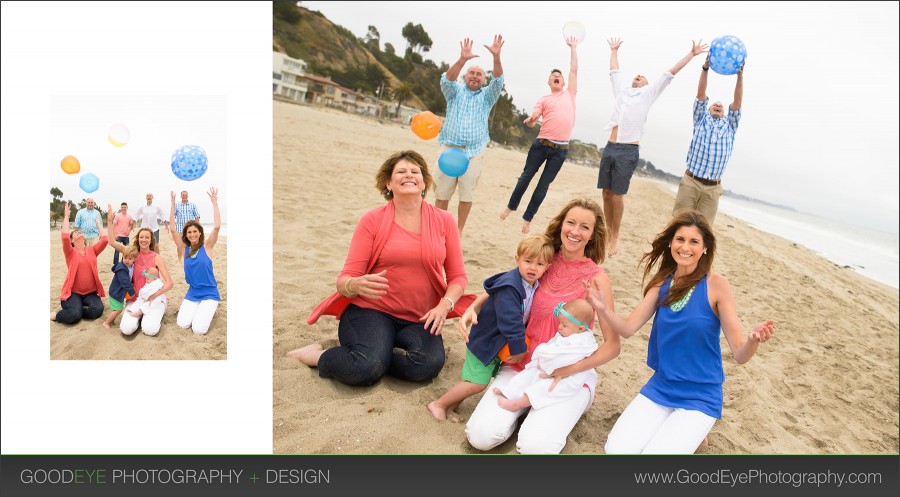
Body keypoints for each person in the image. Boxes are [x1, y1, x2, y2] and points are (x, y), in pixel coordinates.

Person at [574, 210, 775, 454]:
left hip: (701, 396)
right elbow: (627, 328)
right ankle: (691, 434)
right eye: (680, 239)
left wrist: (753, 340)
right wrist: (602, 308)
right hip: (662, 386)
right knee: (616, 450)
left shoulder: (717, 286)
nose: (685, 247)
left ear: (705, 249)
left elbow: (740, 355)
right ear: (671, 242)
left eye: (694, 241)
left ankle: (696, 430)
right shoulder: (663, 283)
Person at [288, 150, 477, 386]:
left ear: (423, 182)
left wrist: (444, 305)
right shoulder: (372, 220)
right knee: (366, 368)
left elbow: (458, 277)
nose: (409, 175)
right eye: (401, 171)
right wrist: (355, 284)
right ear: (389, 182)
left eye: (415, 171)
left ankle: (374, 355)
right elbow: (344, 281)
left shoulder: (444, 220)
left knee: (426, 367)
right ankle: (318, 355)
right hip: (371, 311)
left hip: (420, 318)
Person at [462, 197, 620, 454]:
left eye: (584, 227)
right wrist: (474, 306)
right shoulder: (543, 260)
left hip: (566, 375)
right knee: (481, 436)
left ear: (592, 235)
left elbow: (613, 346)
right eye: (570, 223)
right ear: (561, 225)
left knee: (536, 447)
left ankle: (562, 408)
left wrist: (570, 369)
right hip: (522, 366)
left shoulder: (597, 279)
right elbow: (506, 285)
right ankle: (526, 411)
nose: (575, 231)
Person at [598, 38, 708, 256]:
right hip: (610, 146)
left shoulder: (648, 94)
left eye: (643, 76)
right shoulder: (622, 91)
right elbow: (614, 71)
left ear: (648, 85)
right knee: (606, 193)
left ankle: (615, 235)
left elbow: (670, 73)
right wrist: (613, 51)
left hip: (627, 150)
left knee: (617, 196)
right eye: (636, 75)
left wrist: (692, 54)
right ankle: (607, 230)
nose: (638, 76)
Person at [427, 234, 554, 422]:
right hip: (485, 342)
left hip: (496, 344)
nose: (533, 268)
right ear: (517, 259)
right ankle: (439, 404)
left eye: (540, 264)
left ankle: (451, 407)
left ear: (548, 267)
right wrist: (519, 349)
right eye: (528, 261)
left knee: (474, 379)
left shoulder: (531, 284)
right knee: (477, 383)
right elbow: (510, 322)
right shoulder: (510, 287)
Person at [500, 36, 579, 234]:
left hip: (560, 151)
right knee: (525, 177)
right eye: (553, 75)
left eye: (559, 76)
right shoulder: (543, 99)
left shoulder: (569, 94)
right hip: (541, 145)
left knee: (543, 186)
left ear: (563, 82)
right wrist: (531, 120)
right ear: (548, 81)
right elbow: (535, 114)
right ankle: (511, 206)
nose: (557, 76)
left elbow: (574, 69)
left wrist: (573, 47)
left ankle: (528, 218)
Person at [434, 35, 505, 234]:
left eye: (479, 74)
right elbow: (446, 79)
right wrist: (462, 59)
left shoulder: (487, 97)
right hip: (449, 148)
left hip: (473, 152)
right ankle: (439, 229)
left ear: (483, 79)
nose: (475, 76)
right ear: (465, 77)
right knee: (442, 193)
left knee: (466, 195)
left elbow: (498, 81)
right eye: (471, 73)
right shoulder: (454, 91)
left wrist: (497, 57)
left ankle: (458, 231)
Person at [672, 58, 745, 224]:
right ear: (708, 108)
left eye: (721, 105)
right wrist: (705, 69)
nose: (718, 104)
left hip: (713, 188)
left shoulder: (730, 125)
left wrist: (740, 77)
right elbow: (700, 94)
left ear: (725, 112)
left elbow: (737, 101)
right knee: (679, 223)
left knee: (704, 231)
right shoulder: (701, 119)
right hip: (691, 181)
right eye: (714, 104)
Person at [494, 299, 598, 412]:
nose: (559, 327)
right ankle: (509, 390)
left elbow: (567, 358)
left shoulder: (581, 343)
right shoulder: (568, 333)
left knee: (542, 389)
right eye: (560, 323)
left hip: (566, 377)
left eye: (564, 325)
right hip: (549, 369)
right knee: (528, 375)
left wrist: (547, 361)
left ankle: (517, 404)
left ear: (581, 328)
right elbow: (553, 347)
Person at [107, 205, 174, 337]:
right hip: (135, 299)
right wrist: (110, 221)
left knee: (150, 330)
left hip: (153, 299)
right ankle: (140, 316)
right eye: (141, 237)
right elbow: (112, 242)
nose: (143, 240)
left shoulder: (156, 257)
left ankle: (158, 309)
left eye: (147, 237)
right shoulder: (132, 254)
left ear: (151, 240)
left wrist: (153, 296)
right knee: (126, 329)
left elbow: (169, 283)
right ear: (138, 239)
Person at [168, 187, 222, 335]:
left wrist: (214, 203)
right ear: (186, 234)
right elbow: (173, 229)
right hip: (193, 292)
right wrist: (172, 206)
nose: (192, 234)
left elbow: (217, 227)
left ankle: (211, 307)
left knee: (198, 330)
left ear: (199, 233)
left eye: (194, 231)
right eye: (189, 232)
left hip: (210, 292)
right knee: (182, 324)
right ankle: (202, 308)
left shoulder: (207, 246)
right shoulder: (184, 247)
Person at [51, 202, 108, 324]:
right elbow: (65, 237)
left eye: (80, 232)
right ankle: (57, 315)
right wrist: (66, 216)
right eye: (75, 233)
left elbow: (105, 240)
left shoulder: (92, 250)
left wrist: (98, 224)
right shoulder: (70, 252)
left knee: (98, 310)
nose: (79, 232)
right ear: (72, 241)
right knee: (74, 315)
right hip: (73, 293)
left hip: (90, 293)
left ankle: (78, 310)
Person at [103, 245, 137, 329]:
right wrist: (132, 292)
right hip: (116, 292)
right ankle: (106, 323)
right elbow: (125, 282)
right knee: (118, 309)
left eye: (130, 259)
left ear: (134, 259)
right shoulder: (121, 269)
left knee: (117, 307)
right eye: (125, 258)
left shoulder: (131, 266)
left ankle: (111, 321)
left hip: (119, 292)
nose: (127, 260)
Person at [173, 190, 201, 262]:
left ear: (187, 196)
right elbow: (173, 215)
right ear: (181, 196)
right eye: (183, 195)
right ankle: (179, 259)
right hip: (179, 229)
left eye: (185, 195)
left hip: (189, 230)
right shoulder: (177, 205)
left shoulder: (192, 205)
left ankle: (189, 258)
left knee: (189, 244)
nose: (184, 196)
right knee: (180, 245)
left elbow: (197, 216)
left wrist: (196, 226)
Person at [110, 201, 135, 269]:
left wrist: (129, 231)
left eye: (125, 207)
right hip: (119, 236)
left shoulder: (129, 216)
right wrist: (114, 235)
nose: (123, 208)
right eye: (122, 207)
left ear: (127, 207)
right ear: (121, 208)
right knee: (117, 251)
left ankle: (123, 263)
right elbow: (113, 225)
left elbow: (131, 224)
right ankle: (115, 265)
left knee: (127, 251)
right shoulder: (118, 216)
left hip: (126, 236)